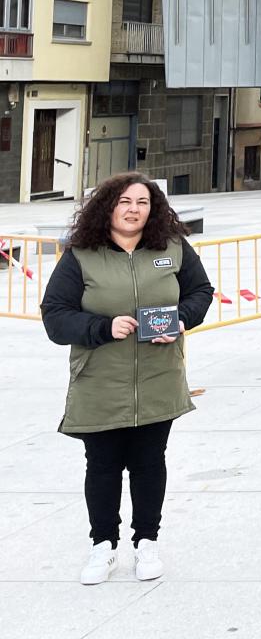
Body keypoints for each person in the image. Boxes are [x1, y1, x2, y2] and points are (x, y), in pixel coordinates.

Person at [40, 172, 214, 586]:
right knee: (102, 466)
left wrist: (182, 319)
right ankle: (103, 544)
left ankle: (146, 541)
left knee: (150, 463)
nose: (134, 209)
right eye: (125, 201)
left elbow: (201, 292)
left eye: (143, 202)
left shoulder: (171, 248)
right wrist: (102, 328)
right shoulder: (81, 255)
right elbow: (56, 315)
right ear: (108, 207)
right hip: (100, 380)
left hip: (158, 376)